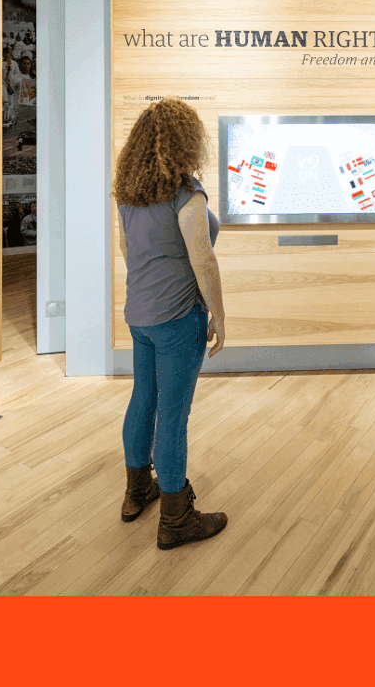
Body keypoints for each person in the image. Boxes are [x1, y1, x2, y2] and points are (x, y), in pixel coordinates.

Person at [112, 97, 228, 550]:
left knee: (144, 398)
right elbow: (205, 262)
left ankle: (136, 492)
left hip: (140, 315)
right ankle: (177, 519)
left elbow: (127, 251)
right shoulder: (187, 195)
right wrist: (219, 314)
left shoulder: (127, 192)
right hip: (178, 320)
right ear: (186, 143)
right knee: (173, 417)